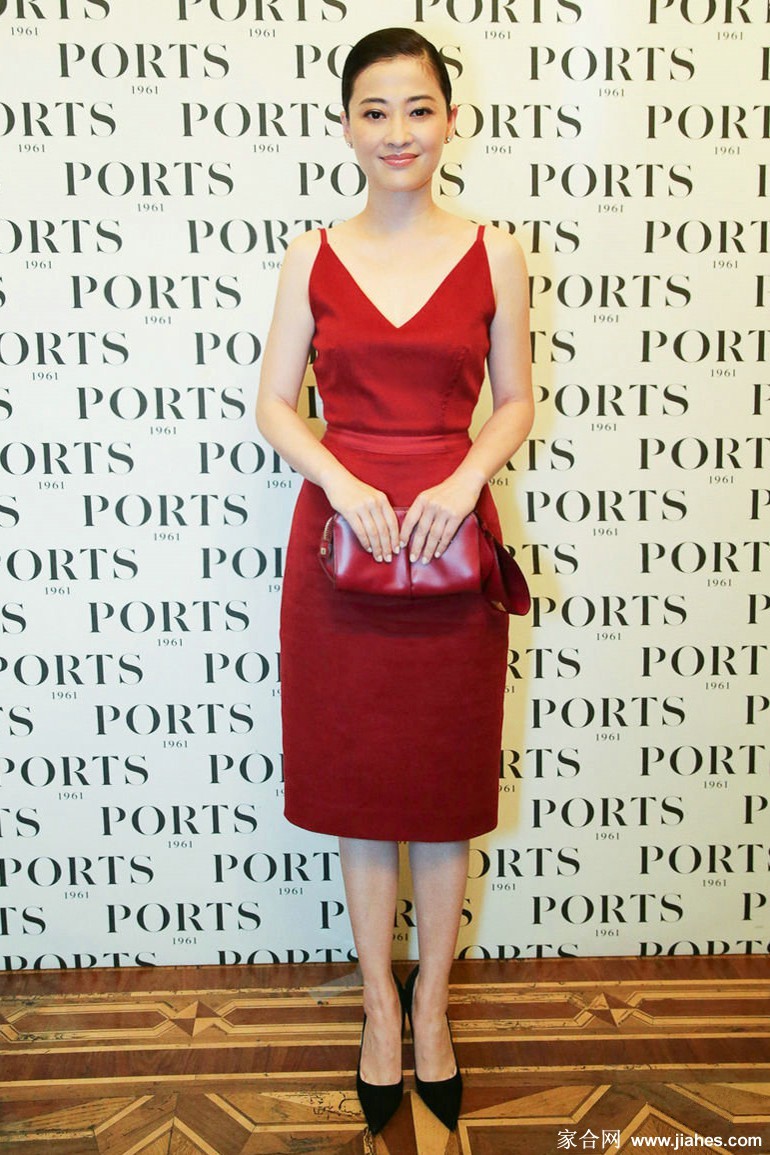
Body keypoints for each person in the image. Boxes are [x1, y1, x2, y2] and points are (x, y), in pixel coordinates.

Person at [256, 26, 534, 1136]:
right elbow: (275, 402)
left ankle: (432, 1009)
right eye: (374, 111)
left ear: (449, 120)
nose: (398, 132)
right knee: (367, 795)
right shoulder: (310, 255)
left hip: (451, 544)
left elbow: (514, 399)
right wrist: (339, 476)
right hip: (343, 544)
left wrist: (465, 480)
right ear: (345, 127)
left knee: (442, 793)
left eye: (417, 108)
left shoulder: (495, 253)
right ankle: (379, 1008)